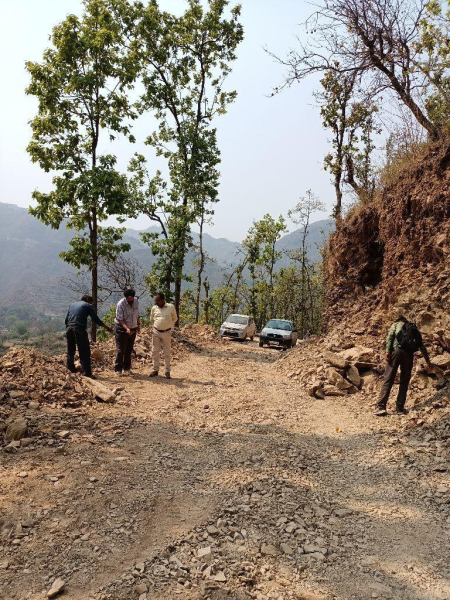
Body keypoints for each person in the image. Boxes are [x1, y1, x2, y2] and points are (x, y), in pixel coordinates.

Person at [375, 315, 434, 416]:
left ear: (398, 320)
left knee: (388, 378)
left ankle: (381, 406)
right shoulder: (412, 328)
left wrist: (387, 351)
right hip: (408, 355)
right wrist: (427, 361)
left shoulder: (395, 325)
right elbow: (421, 345)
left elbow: (390, 337)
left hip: (396, 352)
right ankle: (400, 408)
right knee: (404, 381)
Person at [65, 294, 112, 378]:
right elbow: (95, 318)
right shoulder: (87, 305)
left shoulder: (72, 305)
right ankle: (87, 373)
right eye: (91, 302)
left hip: (69, 328)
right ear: (87, 299)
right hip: (79, 329)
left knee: (70, 349)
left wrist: (69, 329)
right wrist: (106, 327)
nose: (91, 304)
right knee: (84, 351)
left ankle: (71, 369)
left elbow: (66, 320)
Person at [149, 292, 177, 379]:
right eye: (155, 300)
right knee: (155, 351)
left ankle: (167, 371)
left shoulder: (170, 307)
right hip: (156, 332)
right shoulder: (154, 308)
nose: (156, 302)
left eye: (157, 300)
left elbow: (175, 318)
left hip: (166, 332)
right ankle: (155, 370)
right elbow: (152, 319)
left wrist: (168, 325)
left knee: (166, 352)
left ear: (162, 300)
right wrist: (158, 325)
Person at [114, 289, 140, 376]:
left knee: (129, 349)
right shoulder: (121, 304)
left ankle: (127, 368)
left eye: (131, 298)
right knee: (121, 349)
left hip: (133, 328)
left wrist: (138, 325)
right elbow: (120, 319)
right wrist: (127, 328)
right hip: (121, 329)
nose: (130, 300)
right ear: (125, 298)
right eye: (128, 298)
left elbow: (137, 314)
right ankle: (118, 369)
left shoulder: (136, 302)